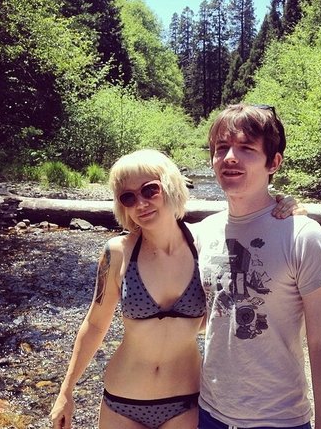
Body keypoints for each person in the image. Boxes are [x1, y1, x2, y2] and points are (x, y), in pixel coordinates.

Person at [50, 148, 304, 429]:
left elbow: (250, 224)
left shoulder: (206, 243)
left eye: (150, 190)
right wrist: (66, 391)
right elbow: (96, 324)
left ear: (170, 186)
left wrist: (287, 208)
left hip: (186, 401)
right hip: (122, 401)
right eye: (128, 197)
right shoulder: (117, 253)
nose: (141, 203)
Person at [194, 104, 321, 429]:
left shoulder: (303, 235)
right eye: (221, 147)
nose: (230, 157)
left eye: (246, 148)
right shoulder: (203, 232)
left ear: (273, 162)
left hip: (280, 419)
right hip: (209, 414)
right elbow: (207, 319)